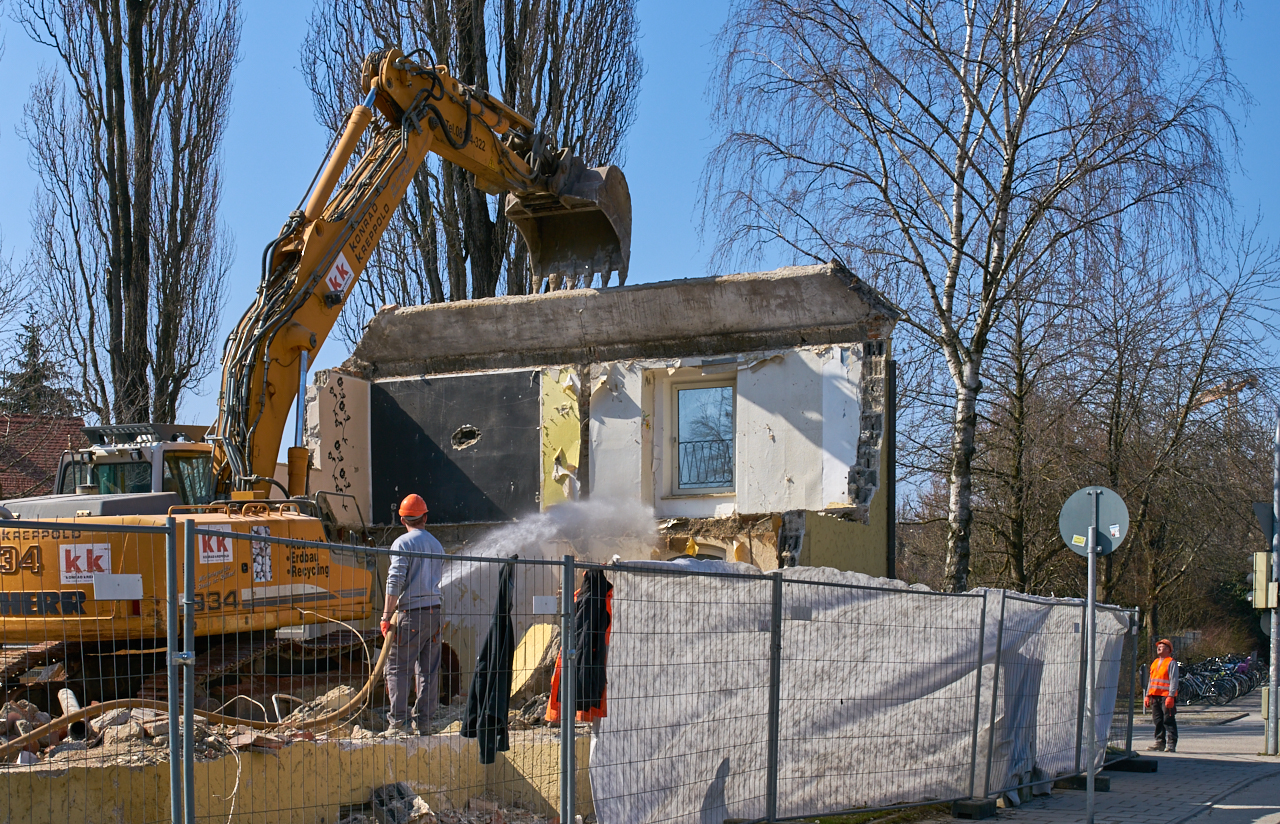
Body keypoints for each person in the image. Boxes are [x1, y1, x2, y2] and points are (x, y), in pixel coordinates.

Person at [380, 493, 445, 736]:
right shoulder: (436, 544)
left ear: (402, 520)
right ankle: (425, 723)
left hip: (411, 614)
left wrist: (386, 616)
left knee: (397, 667)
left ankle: (398, 724)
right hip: (434, 614)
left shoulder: (402, 543)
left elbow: (394, 581)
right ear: (425, 517)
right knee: (428, 670)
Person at [1144, 638, 1179, 753]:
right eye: (1158, 646)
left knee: (1168, 720)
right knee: (1157, 720)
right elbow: (1151, 680)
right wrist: (1147, 695)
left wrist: (1171, 696)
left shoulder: (1171, 662)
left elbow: (1174, 680)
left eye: (1162, 646)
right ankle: (1159, 742)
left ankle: (1171, 744)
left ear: (1168, 650)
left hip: (1166, 696)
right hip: (1155, 696)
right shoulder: (1154, 662)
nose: (1159, 648)